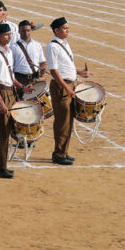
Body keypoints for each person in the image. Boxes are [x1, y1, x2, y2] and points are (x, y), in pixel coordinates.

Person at [0, 24, 32, 178]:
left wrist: (22, 87)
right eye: (5, 34)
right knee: (3, 133)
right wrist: (0, 102)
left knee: (7, 130)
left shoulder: (9, 51)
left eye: (9, 34)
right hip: (1, 92)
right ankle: (1, 168)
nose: (9, 37)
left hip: (10, 92)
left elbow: (10, 75)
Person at [46, 17, 91, 165]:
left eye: (68, 28)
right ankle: (59, 154)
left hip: (68, 85)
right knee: (62, 121)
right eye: (65, 28)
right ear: (56, 30)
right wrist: (67, 88)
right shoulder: (52, 46)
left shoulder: (64, 43)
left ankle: (63, 151)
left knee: (68, 120)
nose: (68, 30)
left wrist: (78, 72)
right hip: (61, 87)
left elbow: (65, 67)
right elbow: (53, 70)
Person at [12, 20, 47, 88]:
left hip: (34, 79)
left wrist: (43, 68)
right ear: (19, 31)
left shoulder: (37, 45)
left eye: (28, 30)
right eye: (23, 31)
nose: (26, 33)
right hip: (20, 80)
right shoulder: (12, 47)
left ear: (31, 31)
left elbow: (42, 62)